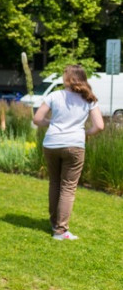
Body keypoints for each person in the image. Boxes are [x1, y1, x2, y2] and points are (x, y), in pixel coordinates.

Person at [33, 65, 104, 241]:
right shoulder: (89, 98)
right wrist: (85, 133)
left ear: (67, 78)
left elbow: (37, 119)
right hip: (74, 144)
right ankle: (60, 231)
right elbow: (100, 126)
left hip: (52, 143)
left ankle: (54, 222)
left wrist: (52, 123)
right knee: (68, 187)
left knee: (54, 183)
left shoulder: (54, 95)